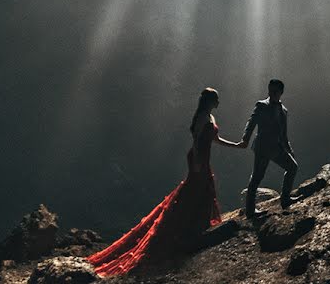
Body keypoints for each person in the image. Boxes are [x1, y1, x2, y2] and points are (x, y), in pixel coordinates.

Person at [86, 88, 244, 276]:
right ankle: (187, 230)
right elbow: (196, 141)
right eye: (216, 99)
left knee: (202, 191)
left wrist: (235, 145)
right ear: (210, 101)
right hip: (198, 159)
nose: (219, 101)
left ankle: (195, 227)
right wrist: (196, 163)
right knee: (195, 190)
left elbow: (214, 139)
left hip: (203, 159)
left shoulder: (209, 117)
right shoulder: (203, 117)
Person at [241, 79, 299, 218]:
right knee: (257, 177)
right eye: (270, 90)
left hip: (277, 147)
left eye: (274, 91)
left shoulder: (284, 111)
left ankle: (285, 199)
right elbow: (251, 122)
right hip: (263, 147)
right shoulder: (261, 105)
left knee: (292, 167)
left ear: (281, 92)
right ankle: (250, 211)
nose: (271, 93)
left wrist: (288, 148)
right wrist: (245, 139)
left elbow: (283, 134)